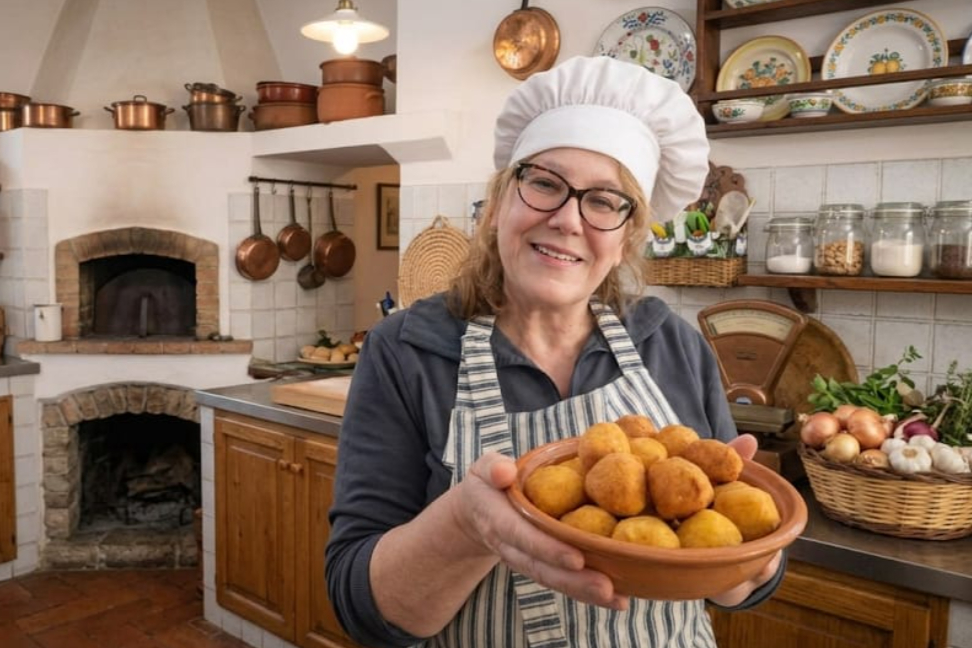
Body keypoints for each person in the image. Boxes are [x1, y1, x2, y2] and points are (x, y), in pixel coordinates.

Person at [325, 55, 785, 648]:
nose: (568, 219)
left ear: (626, 240)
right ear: (496, 208)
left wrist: (742, 562)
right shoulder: (406, 350)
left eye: (604, 201)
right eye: (544, 183)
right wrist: (468, 525)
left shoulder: (671, 342)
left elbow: (743, 578)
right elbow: (360, 605)